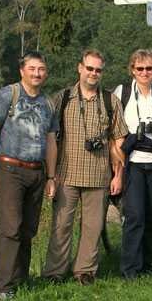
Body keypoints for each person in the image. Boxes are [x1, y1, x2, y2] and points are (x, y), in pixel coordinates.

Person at [42, 49, 128, 286]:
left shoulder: (110, 100)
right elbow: (50, 137)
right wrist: (51, 175)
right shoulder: (63, 97)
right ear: (80, 68)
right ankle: (55, 273)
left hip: (99, 174)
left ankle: (85, 272)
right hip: (66, 173)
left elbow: (118, 140)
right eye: (89, 68)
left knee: (92, 227)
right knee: (61, 225)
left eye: (98, 69)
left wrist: (117, 175)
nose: (93, 73)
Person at [0, 52, 59, 301]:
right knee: (10, 230)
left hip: (37, 172)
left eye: (42, 69)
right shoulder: (8, 94)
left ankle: (20, 281)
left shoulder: (48, 102)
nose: (37, 73)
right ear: (22, 70)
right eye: (32, 68)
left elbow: (51, 141)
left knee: (28, 230)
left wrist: (51, 177)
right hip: (9, 169)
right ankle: (3, 289)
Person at [112, 49, 152, 280]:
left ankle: (147, 264)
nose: (144, 72)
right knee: (135, 214)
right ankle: (129, 268)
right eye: (140, 68)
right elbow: (113, 127)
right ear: (132, 70)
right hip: (133, 162)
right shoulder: (122, 92)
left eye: (149, 68)